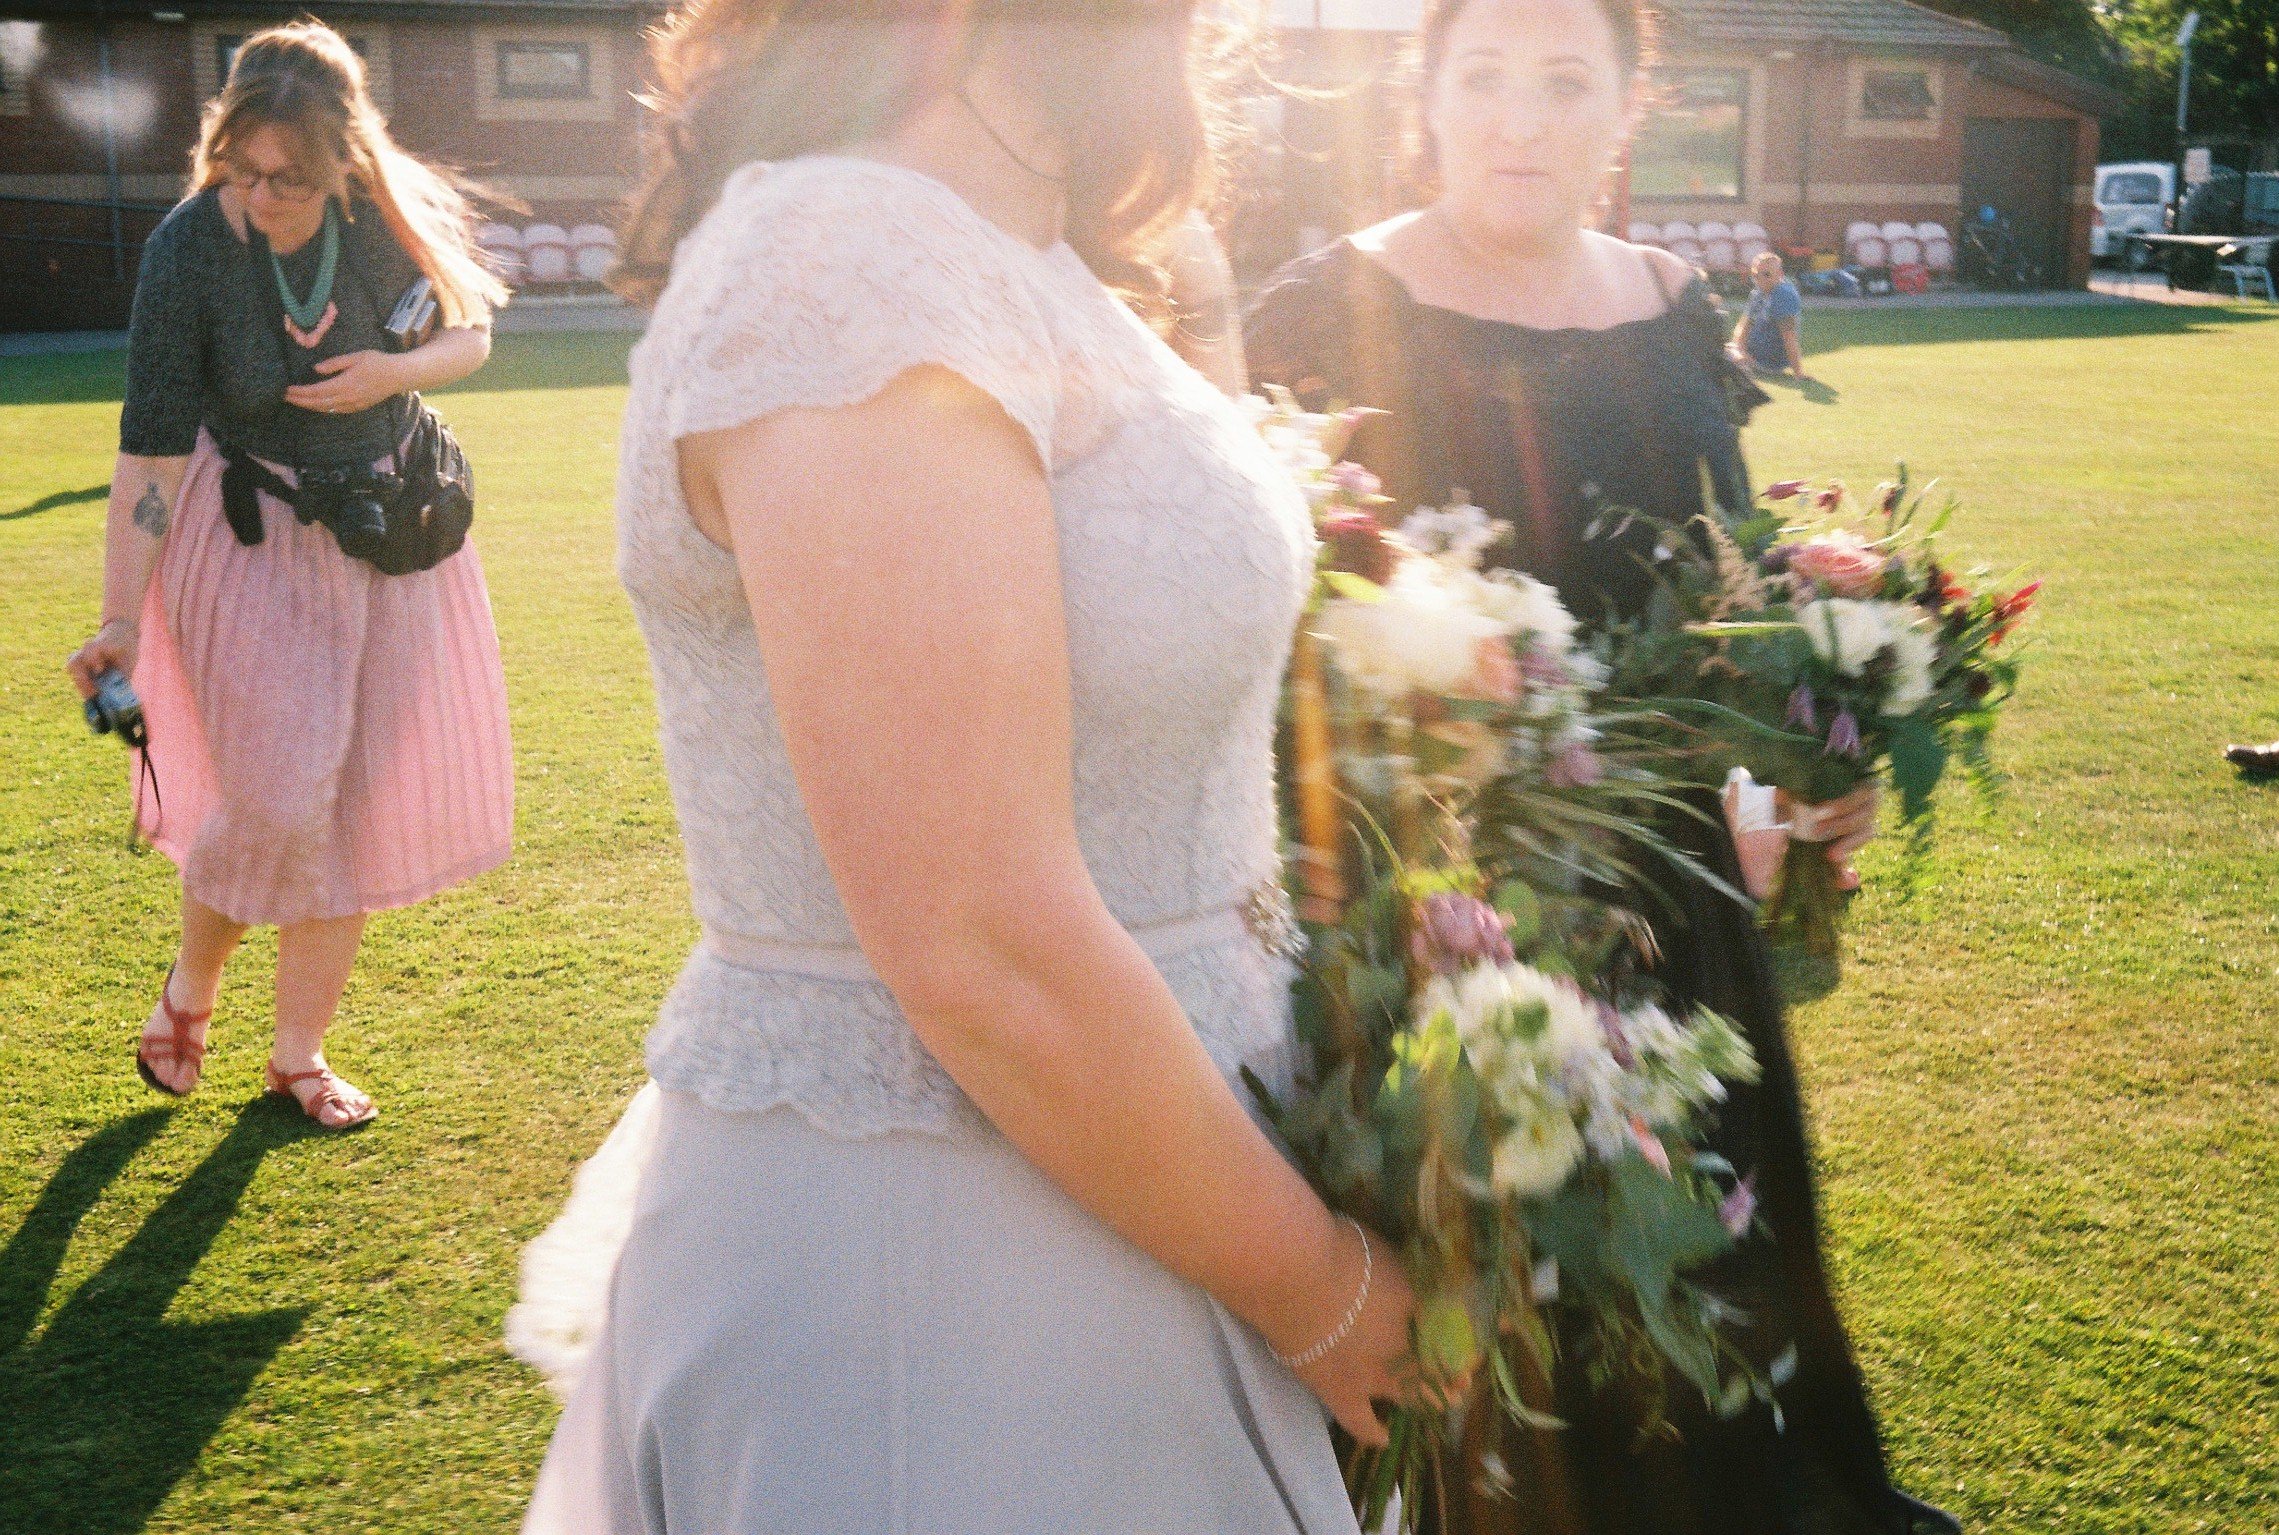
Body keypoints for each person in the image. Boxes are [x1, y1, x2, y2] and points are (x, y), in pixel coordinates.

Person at [516, 2, 1418, 1529]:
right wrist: (1327, 1298)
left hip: (1158, 1192)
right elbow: (973, 933)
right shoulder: (844, 261)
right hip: (955, 1274)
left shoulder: (1026, 249)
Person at [1244, 0, 1955, 1531]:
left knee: (1707, 1307)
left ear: (1626, 107)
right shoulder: (1327, 306)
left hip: (1676, 910)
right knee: (1492, 1361)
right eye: (1481, 76)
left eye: (1565, 81)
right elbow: (1268, 637)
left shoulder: (1667, 303)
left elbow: (1727, 596)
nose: (1519, 117)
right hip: (1435, 916)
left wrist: (1817, 746)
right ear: (1419, 95)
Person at [62, 20, 513, 1131]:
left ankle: (297, 1054)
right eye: (243, 169)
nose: (264, 193)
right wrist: (121, 615)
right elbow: (152, 447)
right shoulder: (187, 250)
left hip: (387, 539)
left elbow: (472, 335)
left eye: (291, 178)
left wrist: (391, 375)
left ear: (342, 161)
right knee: (273, 794)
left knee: (350, 810)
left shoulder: (376, 217)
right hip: (248, 538)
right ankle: (192, 986)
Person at [1732, 250, 1814, 382]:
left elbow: (1789, 337)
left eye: (1767, 274)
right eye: (1756, 275)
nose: (1760, 279)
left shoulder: (1784, 295)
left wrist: (1799, 373)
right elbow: (1743, 326)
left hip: (1767, 362)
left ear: (1780, 275)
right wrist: (1739, 350)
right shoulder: (1757, 293)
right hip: (1749, 355)